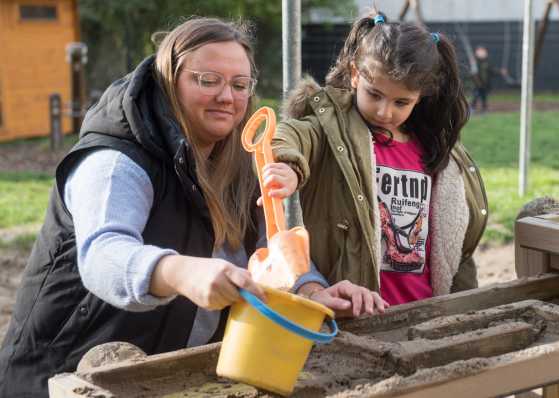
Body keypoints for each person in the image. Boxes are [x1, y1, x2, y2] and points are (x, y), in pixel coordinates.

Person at [0, 17, 382, 397]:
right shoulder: (117, 159)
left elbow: (275, 248)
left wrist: (312, 292)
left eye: (239, 85)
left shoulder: (242, 160)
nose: (227, 97)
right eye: (207, 80)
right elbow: (102, 256)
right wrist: (183, 272)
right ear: (170, 79)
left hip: (172, 373)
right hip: (63, 375)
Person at [271, 12, 489, 307]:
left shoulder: (434, 148)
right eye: (374, 94)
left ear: (421, 96)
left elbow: (455, 238)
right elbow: (292, 134)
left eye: (401, 102)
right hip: (354, 310)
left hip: (425, 309)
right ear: (355, 74)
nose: (385, 112)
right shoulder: (332, 130)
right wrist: (289, 166)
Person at [470, 45, 508, 113]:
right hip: (477, 84)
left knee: (484, 96)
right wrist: (477, 81)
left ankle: (484, 108)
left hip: (485, 84)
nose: (482, 53)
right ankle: (472, 107)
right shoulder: (474, 62)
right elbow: (473, 74)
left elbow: (492, 71)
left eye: (483, 51)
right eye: (480, 51)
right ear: (476, 53)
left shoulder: (487, 62)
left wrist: (500, 71)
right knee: (476, 95)